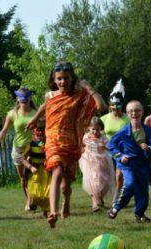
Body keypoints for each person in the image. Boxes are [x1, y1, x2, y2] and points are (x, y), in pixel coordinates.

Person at [26, 61, 107, 228]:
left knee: (65, 186)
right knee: (56, 171)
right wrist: (34, 119)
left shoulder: (80, 95)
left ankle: (66, 202)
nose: (62, 82)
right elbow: (44, 106)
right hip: (53, 141)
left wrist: (89, 88)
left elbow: (102, 106)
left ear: (72, 78)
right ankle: (53, 211)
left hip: (71, 144)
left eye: (66, 78)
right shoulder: (50, 95)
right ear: (54, 80)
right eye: (59, 79)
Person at [107, 100, 151, 222]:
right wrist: (120, 156)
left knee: (142, 190)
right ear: (127, 113)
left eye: (137, 110)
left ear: (142, 112)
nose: (134, 113)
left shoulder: (147, 130)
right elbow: (111, 145)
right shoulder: (123, 132)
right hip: (128, 164)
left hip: (143, 164)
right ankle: (115, 208)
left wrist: (150, 148)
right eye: (131, 111)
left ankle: (140, 214)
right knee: (130, 184)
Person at [0, 87, 36, 211]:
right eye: (21, 100)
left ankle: (32, 200)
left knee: (32, 174)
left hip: (33, 148)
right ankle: (28, 199)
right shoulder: (12, 114)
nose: (24, 102)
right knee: (23, 177)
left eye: (26, 100)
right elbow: (4, 130)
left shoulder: (35, 112)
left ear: (29, 98)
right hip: (18, 149)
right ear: (17, 99)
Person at [101, 79, 130, 202]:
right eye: (112, 105)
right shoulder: (104, 119)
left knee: (119, 175)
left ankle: (116, 196)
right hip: (106, 152)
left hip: (121, 151)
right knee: (104, 177)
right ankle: (99, 197)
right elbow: (95, 132)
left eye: (117, 105)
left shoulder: (128, 119)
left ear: (122, 105)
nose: (115, 107)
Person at [79, 117, 115, 212]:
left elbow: (109, 147)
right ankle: (95, 203)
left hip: (102, 161)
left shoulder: (103, 138)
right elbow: (82, 145)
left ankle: (100, 199)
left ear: (101, 129)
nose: (95, 131)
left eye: (97, 129)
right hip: (89, 162)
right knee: (92, 181)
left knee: (104, 181)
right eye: (93, 129)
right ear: (89, 129)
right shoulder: (86, 137)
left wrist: (105, 147)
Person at [22, 118, 50, 217]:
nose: (40, 132)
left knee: (47, 190)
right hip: (34, 169)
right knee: (35, 191)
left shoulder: (48, 142)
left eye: (42, 130)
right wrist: (30, 167)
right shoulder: (30, 143)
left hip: (46, 169)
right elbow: (23, 159)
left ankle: (46, 211)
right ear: (33, 131)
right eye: (37, 130)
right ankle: (33, 202)